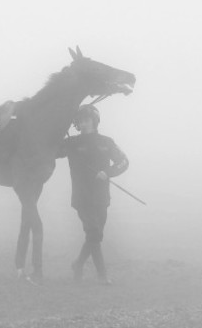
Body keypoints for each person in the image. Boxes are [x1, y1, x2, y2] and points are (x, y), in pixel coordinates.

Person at [57, 104, 129, 285]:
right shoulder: (70, 143)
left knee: (95, 237)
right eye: (80, 120)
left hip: (102, 197)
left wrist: (108, 172)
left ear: (95, 121)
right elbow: (54, 151)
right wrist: (60, 127)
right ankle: (102, 276)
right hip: (82, 197)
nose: (84, 123)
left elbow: (124, 161)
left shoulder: (107, 142)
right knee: (94, 232)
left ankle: (78, 264)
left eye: (87, 119)